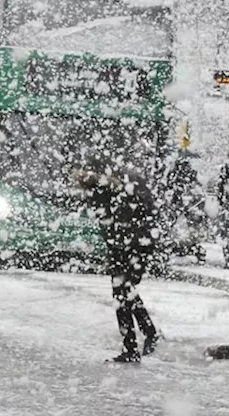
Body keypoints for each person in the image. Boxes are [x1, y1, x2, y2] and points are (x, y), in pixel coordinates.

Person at [70, 153, 161, 363]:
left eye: (80, 175)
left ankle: (132, 346)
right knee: (126, 291)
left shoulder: (112, 188)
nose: (78, 180)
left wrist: (119, 246)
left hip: (132, 245)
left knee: (122, 294)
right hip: (132, 244)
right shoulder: (116, 185)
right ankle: (147, 333)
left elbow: (121, 219)